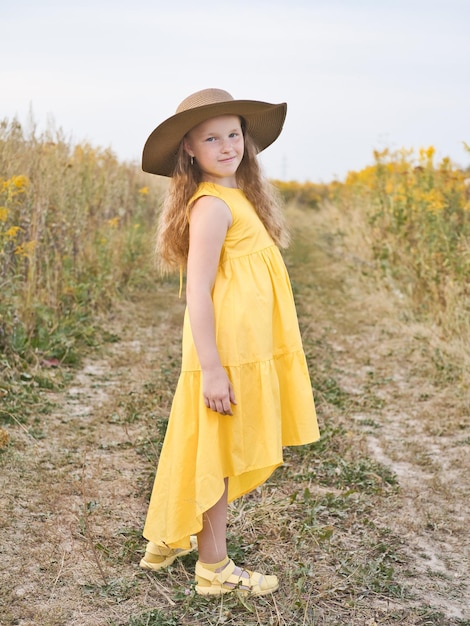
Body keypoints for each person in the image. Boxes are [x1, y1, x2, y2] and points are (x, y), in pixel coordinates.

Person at [139, 88, 320, 597]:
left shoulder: (237, 196)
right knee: (216, 452)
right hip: (228, 351)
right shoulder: (212, 207)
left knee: (202, 444)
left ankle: (169, 536)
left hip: (245, 346)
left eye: (233, 134)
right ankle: (214, 568)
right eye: (211, 138)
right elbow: (197, 291)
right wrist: (213, 368)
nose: (226, 146)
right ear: (190, 150)